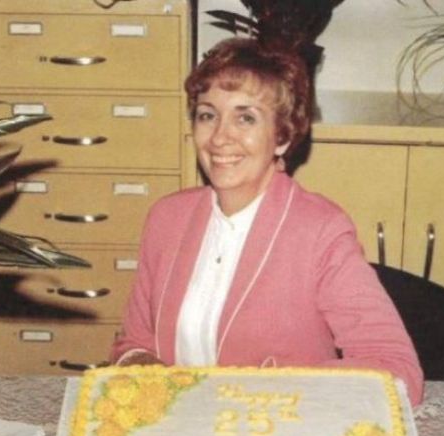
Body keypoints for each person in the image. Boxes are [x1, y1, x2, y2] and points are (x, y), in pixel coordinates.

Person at [111, 37, 423, 406]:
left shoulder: (320, 230)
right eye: (208, 115)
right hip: (181, 434)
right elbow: (133, 342)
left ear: (282, 136)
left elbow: (399, 371)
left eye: (245, 117)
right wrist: (144, 368)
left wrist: (265, 390)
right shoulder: (167, 218)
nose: (220, 138)